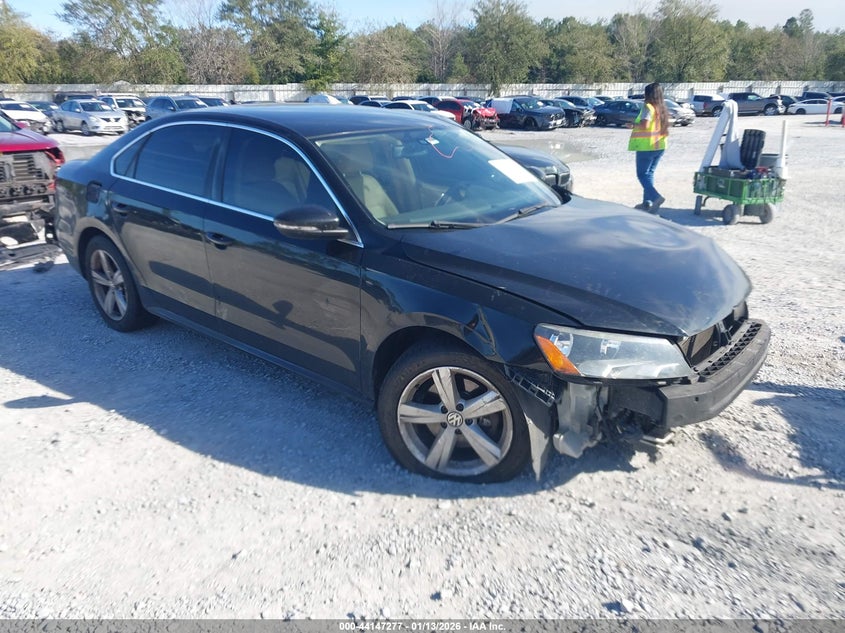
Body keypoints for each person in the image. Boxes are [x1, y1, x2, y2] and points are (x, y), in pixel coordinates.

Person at [628, 82, 669, 212]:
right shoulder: (662, 108)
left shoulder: (648, 107)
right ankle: (647, 203)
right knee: (649, 174)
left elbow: (645, 125)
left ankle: (655, 197)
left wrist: (632, 125)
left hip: (647, 147)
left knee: (641, 174)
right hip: (660, 146)